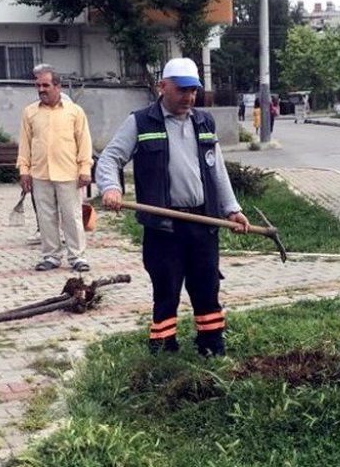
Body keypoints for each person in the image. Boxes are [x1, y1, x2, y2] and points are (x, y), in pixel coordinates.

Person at [97, 57, 250, 356]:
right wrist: (111, 188)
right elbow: (109, 158)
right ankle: (164, 349)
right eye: (182, 90)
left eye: (194, 90)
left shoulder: (204, 121)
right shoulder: (140, 122)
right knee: (166, 290)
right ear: (162, 86)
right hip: (163, 227)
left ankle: (211, 345)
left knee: (206, 287)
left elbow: (216, 168)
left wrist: (231, 208)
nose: (189, 97)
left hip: (204, 224)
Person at [18, 65, 94, 271]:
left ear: (58, 87)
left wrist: (85, 168)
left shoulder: (75, 112)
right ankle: (51, 256)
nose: (41, 89)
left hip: (69, 173)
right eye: (38, 85)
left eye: (45, 85)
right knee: (45, 216)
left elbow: (84, 142)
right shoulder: (30, 112)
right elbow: (25, 143)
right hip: (40, 173)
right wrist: (24, 170)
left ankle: (77, 257)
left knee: (72, 216)